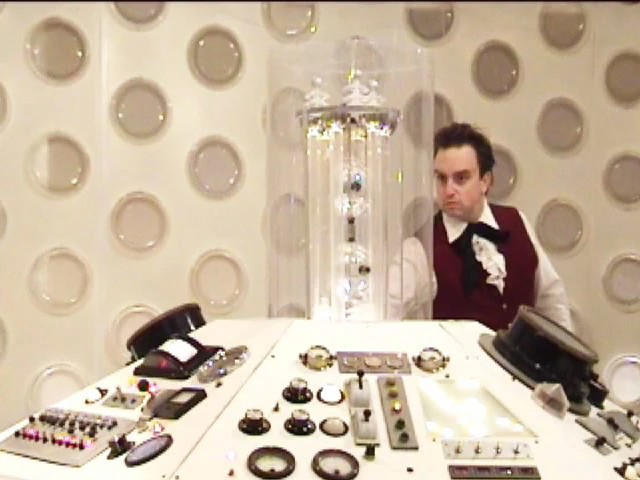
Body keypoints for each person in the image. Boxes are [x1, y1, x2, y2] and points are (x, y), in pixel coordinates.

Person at [388, 122, 574, 332]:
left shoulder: (516, 221)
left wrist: (564, 350)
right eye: (441, 178)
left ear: (485, 181)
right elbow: (383, 314)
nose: (448, 190)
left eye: (461, 178)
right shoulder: (420, 248)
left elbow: (551, 299)